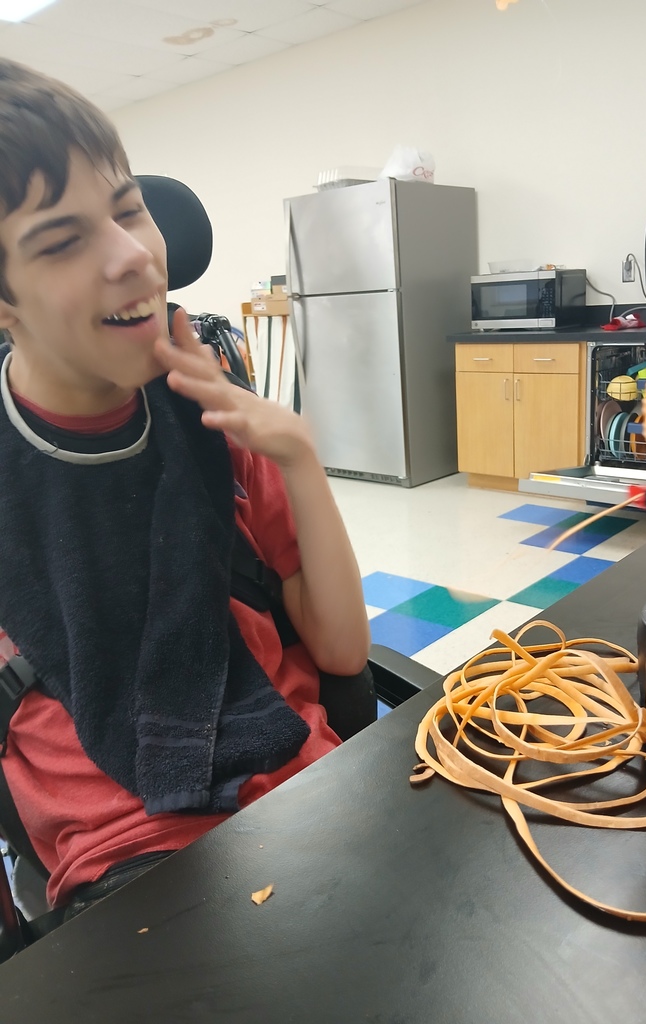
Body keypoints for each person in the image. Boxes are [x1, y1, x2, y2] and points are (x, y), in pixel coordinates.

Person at [0, 58, 370, 918]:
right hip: (128, 864)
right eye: (62, 241)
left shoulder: (214, 415)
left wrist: (299, 459)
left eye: (129, 209)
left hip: (311, 794)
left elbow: (344, 656)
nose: (133, 256)